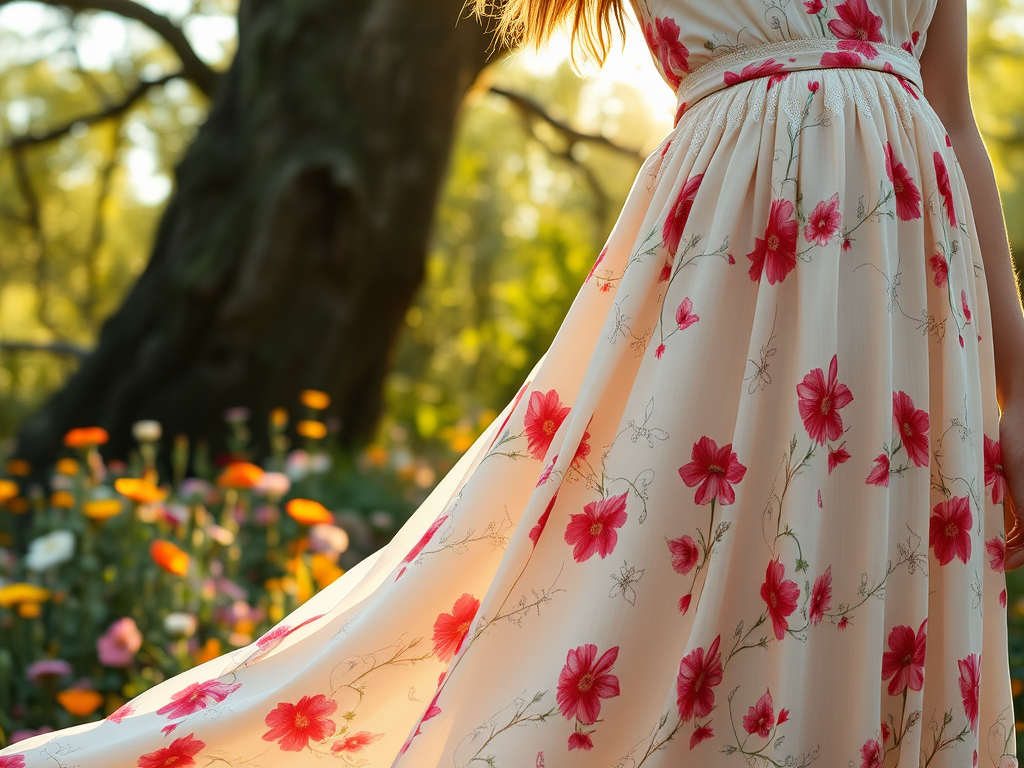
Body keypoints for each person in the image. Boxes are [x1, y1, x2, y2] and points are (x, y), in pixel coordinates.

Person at [3, 0, 1024, 765]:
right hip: (732, 263)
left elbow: (954, 113)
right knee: (668, 604)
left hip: (909, 280)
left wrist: (1018, 392)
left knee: (867, 602)